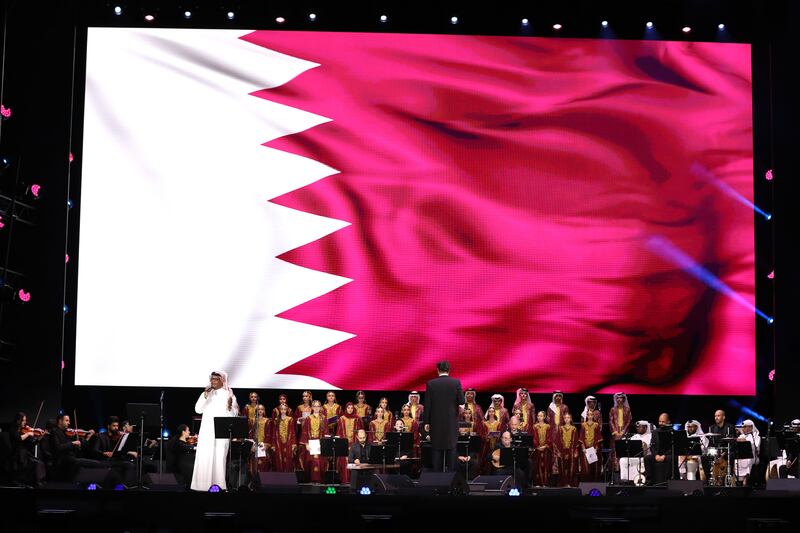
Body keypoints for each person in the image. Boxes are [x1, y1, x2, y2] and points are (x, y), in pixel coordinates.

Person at [191, 371, 239, 491]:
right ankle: (200, 485)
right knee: (204, 457)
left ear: (222, 380)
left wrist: (229, 406)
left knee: (219, 458)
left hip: (221, 432)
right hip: (206, 430)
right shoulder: (206, 393)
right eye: (211, 379)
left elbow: (234, 414)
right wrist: (205, 396)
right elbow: (198, 409)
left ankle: (219, 486)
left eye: (216, 379)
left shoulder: (229, 395)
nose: (213, 381)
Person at [423, 361, 463, 472]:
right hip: (451, 424)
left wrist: (426, 422)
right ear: (449, 370)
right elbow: (461, 400)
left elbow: (427, 404)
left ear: (437, 370)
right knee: (451, 451)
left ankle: (437, 479)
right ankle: (450, 480)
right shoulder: (456, 383)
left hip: (436, 424)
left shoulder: (431, 384)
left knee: (436, 450)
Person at [48, 413, 102, 481]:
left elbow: (79, 447)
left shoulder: (68, 433)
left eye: (69, 421)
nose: (69, 423)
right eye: (66, 421)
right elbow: (58, 447)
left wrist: (87, 438)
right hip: (62, 461)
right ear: (60, 421)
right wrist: (72, 443)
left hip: (71, 459)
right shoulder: (54, 432)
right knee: (92, 464)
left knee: (96, 463)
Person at [7, 412, 47, 487]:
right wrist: (28, 434)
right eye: (23, 420)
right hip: (17, 454)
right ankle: (34, 482)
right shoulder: (12, 429)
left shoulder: (25, 430)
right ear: (18, 421)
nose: (25, 422)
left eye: (25, 420)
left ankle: (39, 482)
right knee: (35, 464)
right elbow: (19, 438)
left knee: (40, 463)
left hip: (25, 453)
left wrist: (38, 439)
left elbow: (30, 445)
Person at [336, 403, 364, 483]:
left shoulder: (357, 418)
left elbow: (360, 433)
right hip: (344, 444)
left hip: (355, 444)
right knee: (344, 460)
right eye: (348, 408)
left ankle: (354, 481)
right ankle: (345, 480)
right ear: (346, 408)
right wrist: (343, 445)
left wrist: (354, 446)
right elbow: (339, 432)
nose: (350, 409)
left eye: (352, 408)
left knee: (355, 459)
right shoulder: (342, 418)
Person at [299, 400, 326, 482]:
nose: (316, 408)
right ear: (312, 407)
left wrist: (324, 444)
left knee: (319, 461)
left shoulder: (324, 418)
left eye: (318, 406)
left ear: (320, 407)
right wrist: (306, 444)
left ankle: (319, 479)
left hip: (320, 443)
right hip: (311, 443)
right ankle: (311, 479)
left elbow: (326, 432)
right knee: (310, 461)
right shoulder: (308, 418)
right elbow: (304, 432)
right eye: (315, 406)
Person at [646, 413, 675, 485]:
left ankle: (668, 480)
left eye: (663, 422)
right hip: (657, 455)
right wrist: (656, 455)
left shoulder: (672, 432)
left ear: (668, 422)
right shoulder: (655, 432)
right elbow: (652, 446)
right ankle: (649, 480)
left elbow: (673, 446)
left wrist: (664, 455)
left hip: (668, 454)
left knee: (670, 458)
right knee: (647, 458)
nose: (661, 423)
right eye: (659, 421)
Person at [167, 424, 195, 489]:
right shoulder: (178, 443)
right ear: (183, 432)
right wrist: (194, 447)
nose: (189, 432)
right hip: (181, 469)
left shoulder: (186, 442)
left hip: (187, 466)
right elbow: (185, 447)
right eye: (188, 430)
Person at [555, 413, 579, 487]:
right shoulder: (560, 428)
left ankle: (570, 483)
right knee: (562, 467)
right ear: (564, 419)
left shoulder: (574, 428)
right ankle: (563, 483)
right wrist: (558, 451)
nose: (567, 419)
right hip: (562, 451)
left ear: (571, 419)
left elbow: (576, 441)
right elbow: (557, 441)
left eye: (568, 417)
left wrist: (575, 451)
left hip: (571, 451)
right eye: (565, 418)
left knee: (571, 467)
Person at [608, 392, 632, 470]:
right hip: (615, 434)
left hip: (624, 433)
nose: (619, 399)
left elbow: (629, 421)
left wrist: (623, 432)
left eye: (620, 398)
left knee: (624, 451)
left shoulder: (627, 409)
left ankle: (624, 471)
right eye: (617, 398)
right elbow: (611, 421)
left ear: (623, 399)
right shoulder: (612, 409)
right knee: (614, 452)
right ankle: (615, 471)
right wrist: (615, 432)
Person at [271, 404, 296, 473]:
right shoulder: (276, 420)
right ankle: (280, 477)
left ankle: (288, 477)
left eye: (285, 409)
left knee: (288, 458)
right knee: (279, 458)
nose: (283, 411)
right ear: (279, 410)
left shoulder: (290, 419)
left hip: (288, 442)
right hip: (278, 442)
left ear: (287, 410)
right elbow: (274, 433)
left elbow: (293, 432)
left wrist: (293, 444)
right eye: (282, 409)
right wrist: (273, 444)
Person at [579, 412, 603, 482]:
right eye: (588, 415)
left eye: (591, 415)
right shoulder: (583, 425)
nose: (590, 416)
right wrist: (583, 447)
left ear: (593, 416)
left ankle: (594, 482)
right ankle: (586, 482)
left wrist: (596, 448)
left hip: (593, 448)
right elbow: (581, 437)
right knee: (586, 468)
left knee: (594, 466)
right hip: (586, 449)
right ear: (586, 416)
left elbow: (598, 437)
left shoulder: (596, 425)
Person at [736, 419, 760, 485]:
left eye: (744, 427)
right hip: (742, 455)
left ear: (750, 427)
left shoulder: (756, 436)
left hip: (753, 456)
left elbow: (757, 448)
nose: (742, 429)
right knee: (736, 460)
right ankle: (738, 479)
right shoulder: (741, 436)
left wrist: (746, 441)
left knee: (749, 460)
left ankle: (746, 478)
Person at [532, 411, 553, 486]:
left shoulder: (548, 426)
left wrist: (545, 446)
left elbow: (550, 438)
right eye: (538, 416)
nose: (539, 417)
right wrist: (537, 446)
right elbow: (534, 438)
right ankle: (537, 483)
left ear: (544, 417)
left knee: (546, 466)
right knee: (537, 466)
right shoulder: (535, 426)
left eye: (541, 416)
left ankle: (545, 483)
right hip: (537, 450)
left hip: (546, 449)